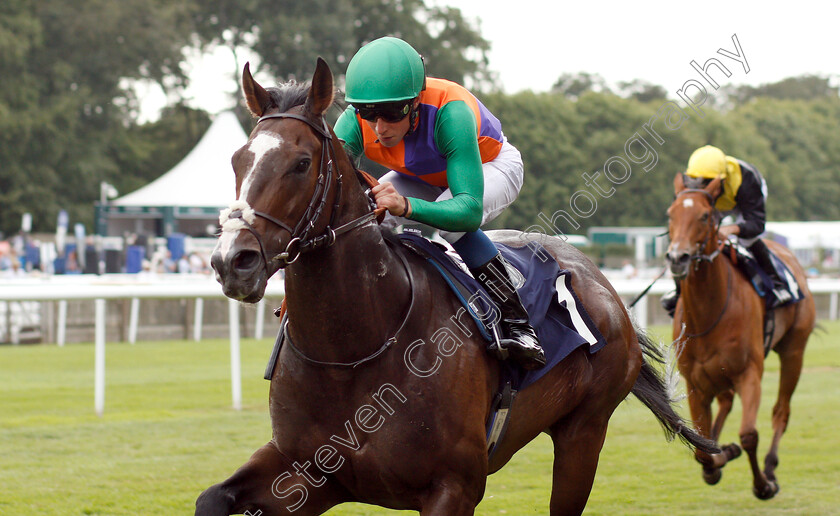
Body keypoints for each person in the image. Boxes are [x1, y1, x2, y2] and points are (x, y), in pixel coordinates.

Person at [334, 36, 545, 370]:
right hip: (422, 174)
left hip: (492, 166)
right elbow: (332, 186)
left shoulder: (452, 111)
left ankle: (518, 324)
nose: (379, 127)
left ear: (415, 101)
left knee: (451, 226)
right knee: (368, 215)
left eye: (391, 113)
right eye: (368, 113)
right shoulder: (353, 122)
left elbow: (467, 210)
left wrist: (406, 205)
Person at [661, 145, 792, 316]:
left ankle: (777, 283)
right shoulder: (689, 183)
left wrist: (731, 229)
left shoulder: (746, 179)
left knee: (748, 240)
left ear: (721, 180)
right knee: (688, 242)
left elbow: (757, 224)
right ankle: (679, 291)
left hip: (741, 202)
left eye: (708, 183)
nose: (702, 186)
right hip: (712, 205)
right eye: (697, 181)